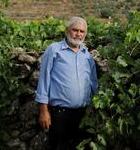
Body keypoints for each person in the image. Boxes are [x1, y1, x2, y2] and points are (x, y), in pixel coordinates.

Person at [35, 16, 98, 150]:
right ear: (67, 31)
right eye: (75, 30)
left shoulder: (87, 55)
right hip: (60, 115)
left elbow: (93, 83)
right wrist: (43, 111)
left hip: (83, 115)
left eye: (82, 31)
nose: (78, 34)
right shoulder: (54, 50)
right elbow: (44, 80)